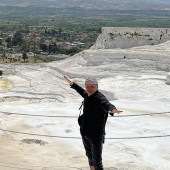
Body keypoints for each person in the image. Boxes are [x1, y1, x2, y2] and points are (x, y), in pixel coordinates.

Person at [64, 76, 122, 170]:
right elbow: (81, 91)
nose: (89, 88)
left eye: (92, 86)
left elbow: (106, 103)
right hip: (85, 132)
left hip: (96, 134)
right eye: (88, 86)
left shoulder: (99, 97)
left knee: (97, 160)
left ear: (97, 87)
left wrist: (112, 109)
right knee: (89, 155)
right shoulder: (87, 94)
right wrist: (72, 84)